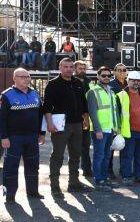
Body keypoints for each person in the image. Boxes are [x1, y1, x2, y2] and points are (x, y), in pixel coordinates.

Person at [0, 68, 45, 203]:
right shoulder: (6, 95)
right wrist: (3, 137)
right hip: (13, 138)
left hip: (32, 137)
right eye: (22, 76)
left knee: (33, 165)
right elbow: (0, 118)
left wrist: (42, 133)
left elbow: (41, 115)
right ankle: (10, 195)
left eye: (27, 76)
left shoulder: (35, 93)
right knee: (11, 167)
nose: (26, 79)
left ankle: (33, 192)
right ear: (14, 78)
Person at [43, 58, 90, 197]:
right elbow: (47, 106)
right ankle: (55, 186)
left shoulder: (78, 83)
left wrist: (86, 119)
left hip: (77, 124)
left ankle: (74, 183)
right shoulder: (53, 84)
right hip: (60, 125)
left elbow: (83, 103)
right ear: (60, 67)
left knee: (76, 154)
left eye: (71, 67)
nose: (69, 69)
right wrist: (49, 124)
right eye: (66, 66)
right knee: (57, 156)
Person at [87, 66, 121, 191]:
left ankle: (105, 178)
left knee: (107, 155)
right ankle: (99, 180)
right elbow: (92, 112)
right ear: (98, 76)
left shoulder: (111, 91)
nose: (106, 78)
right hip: (100, 131)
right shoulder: (93, 92)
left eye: (108, 76)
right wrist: (98, 130)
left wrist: (116, 127)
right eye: (103, 75)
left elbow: (113, 111)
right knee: (99, 155)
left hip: (110, 129)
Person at [118, 71, 140, 185]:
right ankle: (126, 176)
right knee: (127, 155)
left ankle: (139, 176)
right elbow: (118, 114)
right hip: (129, 131)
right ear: (128, 81)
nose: (136, 82)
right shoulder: (121, 95)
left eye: (138, 80)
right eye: (133, 80)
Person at [73, 60, 93, 178]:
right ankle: (74, 175)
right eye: (80, 68)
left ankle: (87, 170)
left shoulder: (89, 82)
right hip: (74, 119)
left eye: (84, 68)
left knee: (85, 145)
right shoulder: (71, 82)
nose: (82, 70)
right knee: (74, 148)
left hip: (86, 118)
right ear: (75, 69)